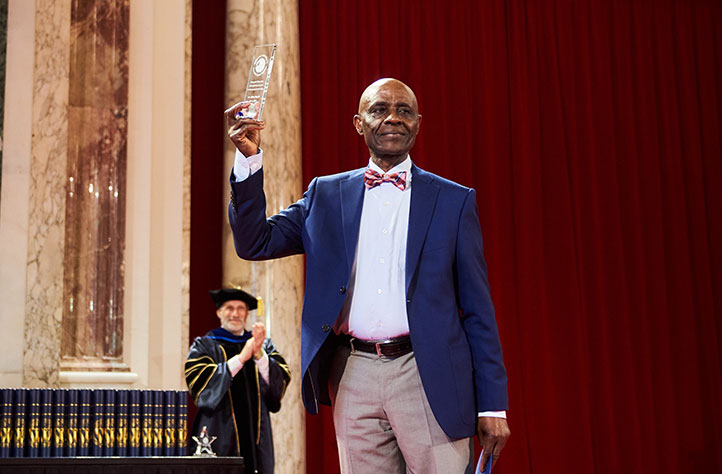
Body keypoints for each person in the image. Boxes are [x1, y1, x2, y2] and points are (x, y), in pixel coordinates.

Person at [224, 78, 510, 473]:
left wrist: (493, 403)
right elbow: (255, 242)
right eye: (379, 109)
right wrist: (249, 160)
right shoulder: (325, 195)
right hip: (352, 372)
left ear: (418, 123)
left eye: (404, 110)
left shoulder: (454, 200)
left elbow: (478, 310)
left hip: (428, 374)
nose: (392, 118)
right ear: (359, 123)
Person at [185, 288, 291, 474]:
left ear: (247, 313)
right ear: (219, 312)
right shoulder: (205, 345)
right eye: (229, 308)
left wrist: (259, 355)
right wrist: (241, 358)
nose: (235, 313)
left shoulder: (262, 345)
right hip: (219, 431)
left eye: (241, 308)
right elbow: (201, 386)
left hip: (257, 436)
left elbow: (279, 382)